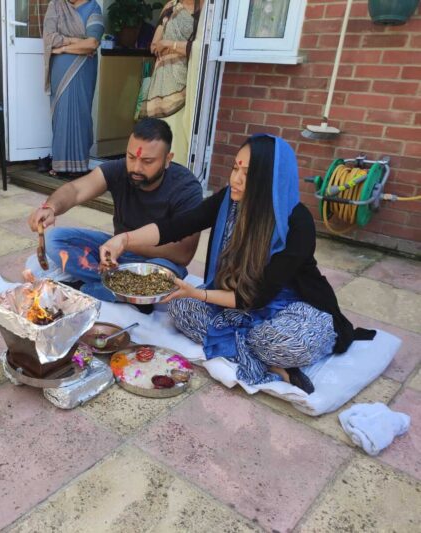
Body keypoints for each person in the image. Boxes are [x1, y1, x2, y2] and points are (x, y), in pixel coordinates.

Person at [99, 134, 375, 393]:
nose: (236, 179)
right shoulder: (228, 201)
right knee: (180, 307)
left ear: (270, 179)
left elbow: (257, 296)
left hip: (288, 305)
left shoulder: (296, 222)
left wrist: (198, 293)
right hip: (236, 301)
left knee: (288, 342)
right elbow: (178, 225)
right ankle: (255, 349)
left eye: (247, 174)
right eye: (235, 169)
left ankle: (268, 355)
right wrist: (124, 240)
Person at [27, 118, 202, 304]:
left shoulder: (186, 188)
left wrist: (125, 243)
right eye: (131, 157)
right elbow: (76, 190)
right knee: (55, 239)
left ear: (168, 160)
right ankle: (121, 292)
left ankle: (89, 288)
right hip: (114, 254)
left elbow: (183, 254)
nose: (136, 167)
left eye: (147, 161)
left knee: (166, 279)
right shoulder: (120, 169)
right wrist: (51, 207)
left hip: (158, 261)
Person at [43, 0, 105, 176]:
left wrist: (61, 49)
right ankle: (60, 164)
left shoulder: (94, 8)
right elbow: (49, 38)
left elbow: (92, 43)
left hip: (83, 69)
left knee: (81, 112)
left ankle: (79, 165)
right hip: (60, 71)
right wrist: (75, 42)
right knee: (61, 114)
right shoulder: (55, 6)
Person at [140, 0, 201, 165]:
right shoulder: (171, 7)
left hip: (188, 77)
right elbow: (155, 45)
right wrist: (163, 46)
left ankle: (177, 169)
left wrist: (170, 44)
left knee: (179, 129)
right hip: (164, 77)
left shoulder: (205, 10)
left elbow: (200, 48)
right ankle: (157, 168)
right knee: (161, 128)